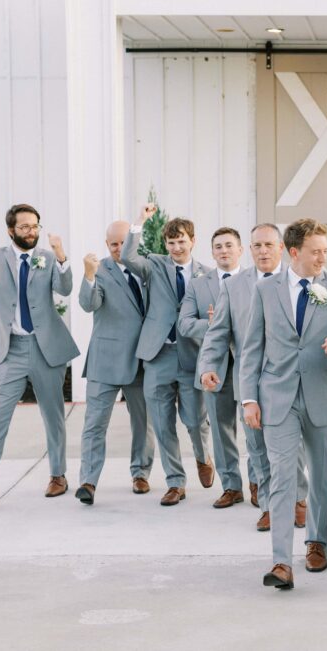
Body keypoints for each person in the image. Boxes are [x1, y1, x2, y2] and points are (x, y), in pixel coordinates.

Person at [238, 219, 327, 590]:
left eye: (325, 250)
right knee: (281, 476)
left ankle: (316, 541)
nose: (323, 257)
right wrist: (248, 398)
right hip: (277, 395)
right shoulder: (265, 290)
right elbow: (251, 347)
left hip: (323, 392)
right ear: (294, 253)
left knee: (322, 473)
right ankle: (280, 562)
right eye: (316, 251)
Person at [0, 205, 79, 507]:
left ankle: (58, 475)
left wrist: (61, 255)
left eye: (34, 226)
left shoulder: (48, 257)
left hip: (45, 347)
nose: (31, 232)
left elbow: (65, 289)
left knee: (53, 417)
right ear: (11, 230)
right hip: (8, 350)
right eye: (24, 227)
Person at [198, 223, 311, 532]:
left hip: (289, 379)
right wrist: (208, 365)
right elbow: (218, 332)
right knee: (257, 446)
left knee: (292, 445)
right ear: (250, 250)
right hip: (249, 380)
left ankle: (299, 499)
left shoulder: (299, 281)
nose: (262, 251)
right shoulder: (234, 287)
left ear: (283, 249)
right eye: (257, 246)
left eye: (268, 245)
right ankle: (270, 506)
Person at [122, 206, 214, 506]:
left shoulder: (207, 276)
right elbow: (128, 257)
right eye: (171, 242)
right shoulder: (155, 266)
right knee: (162, 423)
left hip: (192, 355)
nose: (176, 247)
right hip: (158, 354)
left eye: (181, 241)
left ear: (193, 241)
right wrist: (140, 223)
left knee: (195, 420)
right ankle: (175, 481)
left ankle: (203, 456)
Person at [75, 220, 155, 504]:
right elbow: (89, 304)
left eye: (123, 242)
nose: (119, 248)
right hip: (106, 361)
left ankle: (141, 473)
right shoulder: (101, 271)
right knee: (95, 423)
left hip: (141, 360)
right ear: (106, 245)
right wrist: (88, 276)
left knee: (143, 422)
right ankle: (88, 481)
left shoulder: (147, 269)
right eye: (113, 244)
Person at [179, 227, 247, 509]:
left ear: (240, 250)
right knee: (220, 430)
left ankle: (258, 483)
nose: (223, 251)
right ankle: (231, 486)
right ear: (212, 252)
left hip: (247, 365)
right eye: (218, 247)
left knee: (255, 429)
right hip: (214, 366)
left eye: (229, 245)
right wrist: (212, 323)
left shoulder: (256, 281)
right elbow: (183, 324)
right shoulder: (197, 285)